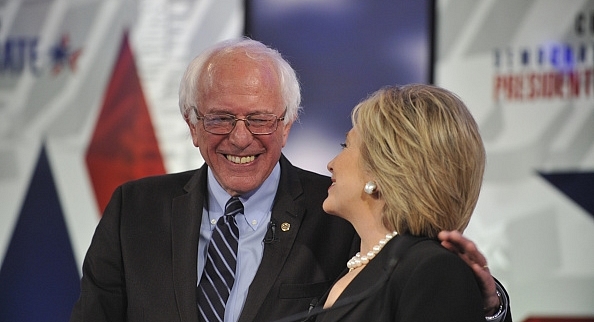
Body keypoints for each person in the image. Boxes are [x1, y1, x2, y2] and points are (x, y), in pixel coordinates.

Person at [70, 38, 510, 322]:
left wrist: (489, 307)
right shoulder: (135, 210)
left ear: (287, 123)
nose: (240, 137)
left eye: (259, 119)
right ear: (192, 124)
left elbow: (425, 292)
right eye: (221, 118)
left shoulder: (340, 217)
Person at [293, 84, 510, 321]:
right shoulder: (359, 267)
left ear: (384, 167)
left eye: (346, 146)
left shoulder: (430, 268)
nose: (331, 163)